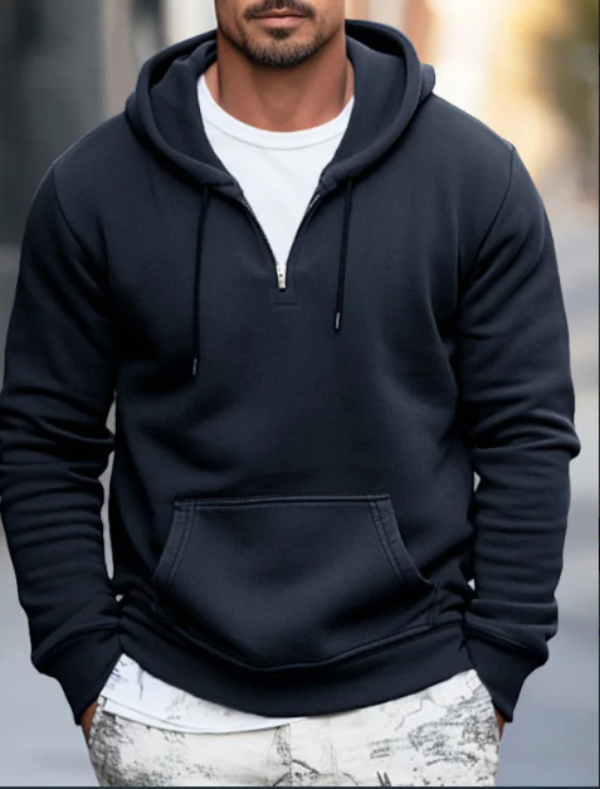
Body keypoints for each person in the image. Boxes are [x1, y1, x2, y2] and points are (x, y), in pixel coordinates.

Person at [0, 0, 581, 786]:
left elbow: (526, 437)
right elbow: (43, 443)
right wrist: (88, 667)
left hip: (417, 709)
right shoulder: (93, 188)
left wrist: (495, 669)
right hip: (169, 709)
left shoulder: (474, 179)